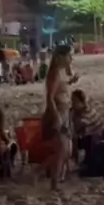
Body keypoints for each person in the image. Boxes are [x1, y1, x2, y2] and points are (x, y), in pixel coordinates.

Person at [41, 44, 78, 190]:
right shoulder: (55, 73)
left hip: (65, 111)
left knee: (67, 150)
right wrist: (56, 117)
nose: (71, 58)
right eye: (69, 55)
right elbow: (50, 97)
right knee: (62, 149)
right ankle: (54, 183)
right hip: (58, 113)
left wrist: (71, 80)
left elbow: (62, 85)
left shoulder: (61, 71)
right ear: (60, 57)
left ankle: (40, 172)